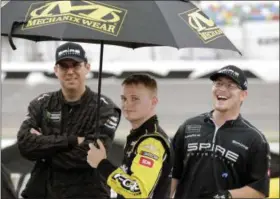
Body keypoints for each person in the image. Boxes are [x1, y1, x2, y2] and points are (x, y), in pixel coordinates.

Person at [17, 42, 121, 199]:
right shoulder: (41, 103)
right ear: (56, 70)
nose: (70, 71)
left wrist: (44, 150)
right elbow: (25, 145)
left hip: (88, 194)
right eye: (64, 66)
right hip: (44, 192)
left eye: (76, 65)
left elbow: (89, 157)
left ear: (87, 67)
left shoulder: (105, 108)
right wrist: (72, 141)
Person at [170, 65, 271, 199]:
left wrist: (227, 195)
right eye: (218, 84)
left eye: (230, 85)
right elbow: (173, 174)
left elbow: (259, 191)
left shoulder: (255, 139)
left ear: (243, 95)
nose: (222, 89)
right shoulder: (189, 126)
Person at [87, 74, 174, 199]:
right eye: (124, 98)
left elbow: (137, 191)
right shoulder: (139, 136)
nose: (127, 105)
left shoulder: (151, 142)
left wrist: (102, 164)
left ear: (153, 102)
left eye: (135, 99)